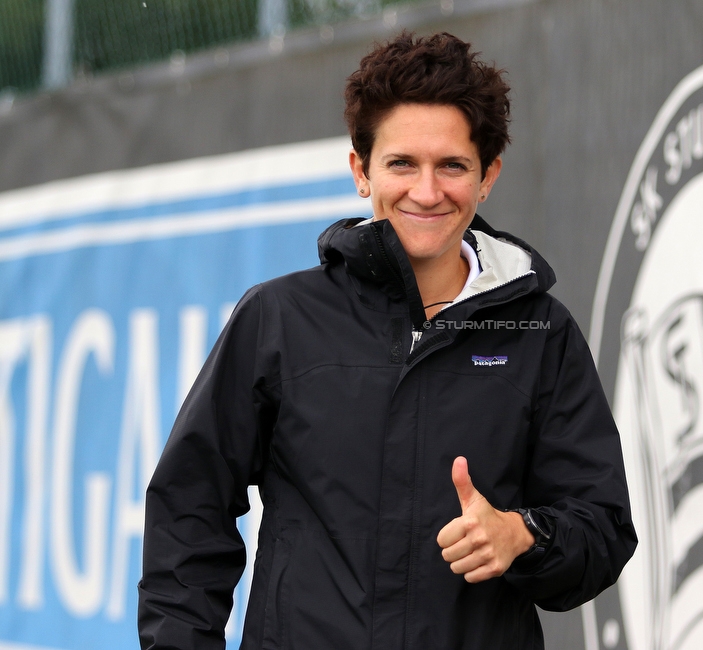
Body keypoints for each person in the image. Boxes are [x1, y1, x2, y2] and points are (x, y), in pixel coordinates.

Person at [138, 31, 636, 649]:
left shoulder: (540, 332)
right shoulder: (279, 318)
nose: (427, 192)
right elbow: (188, 510)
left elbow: (603, 529)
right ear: (360, 170)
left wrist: (523, 536)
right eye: (403, 164)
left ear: (487, 177)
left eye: (452, 165)